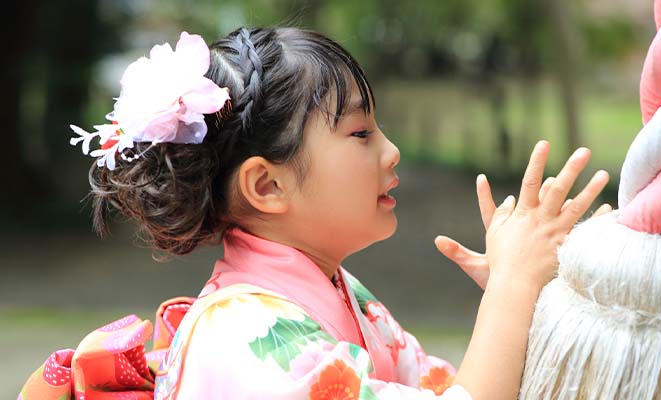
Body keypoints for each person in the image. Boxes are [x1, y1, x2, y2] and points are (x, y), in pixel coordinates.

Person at [66, 27, 610, 399]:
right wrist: (511, 290)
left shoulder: (336, 291)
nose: (391, 152)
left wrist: (521, 302)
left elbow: (449, 386)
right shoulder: (242, 330)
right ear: (267, 184)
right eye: (360, 133)